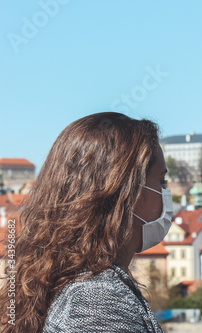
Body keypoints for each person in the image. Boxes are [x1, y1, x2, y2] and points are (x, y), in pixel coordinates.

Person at [0, 112, 172, 333]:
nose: (166, 193)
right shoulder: (98, 303)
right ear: (127, 191)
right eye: (161, 181)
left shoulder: (72, 282)